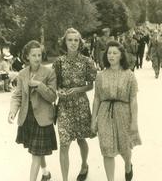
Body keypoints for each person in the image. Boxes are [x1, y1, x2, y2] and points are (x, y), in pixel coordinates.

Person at [91, 40, 141, 181]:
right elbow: (96, 99)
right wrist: (93, 120)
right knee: (107, 149)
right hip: (104, 114)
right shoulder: (100, 75)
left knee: (125, 148)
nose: (111, 56)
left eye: (115, 53)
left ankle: (128, 165)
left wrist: (134, 122)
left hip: (124, 113)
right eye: (109, 53)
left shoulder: (129, 75)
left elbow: (133, 100)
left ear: (121, 56)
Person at [8, 40, 57, 181]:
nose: (37, 58)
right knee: (36, 151)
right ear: (27, 56)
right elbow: (17, 95)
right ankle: (46, 173)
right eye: (34, 55)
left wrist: (39, 85)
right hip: (27, 117)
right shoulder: (22, 73)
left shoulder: (50, 73)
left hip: (43, 118)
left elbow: (52, 97)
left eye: (39, 55)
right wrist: (12, 111)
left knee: (36, 153)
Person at [53, 28, 97, 181]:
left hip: (81, 105)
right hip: (64, 106)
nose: (73, 43)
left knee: (81, 139)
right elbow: (55, 84)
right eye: (69, 40)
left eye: (75, 40)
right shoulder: (58, 62)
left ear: (80, 43)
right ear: (65, 42)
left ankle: (84, 165)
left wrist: (78, 89)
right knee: (64, 143)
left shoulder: (87, 61)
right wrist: (59, 91)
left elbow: (90, 85)